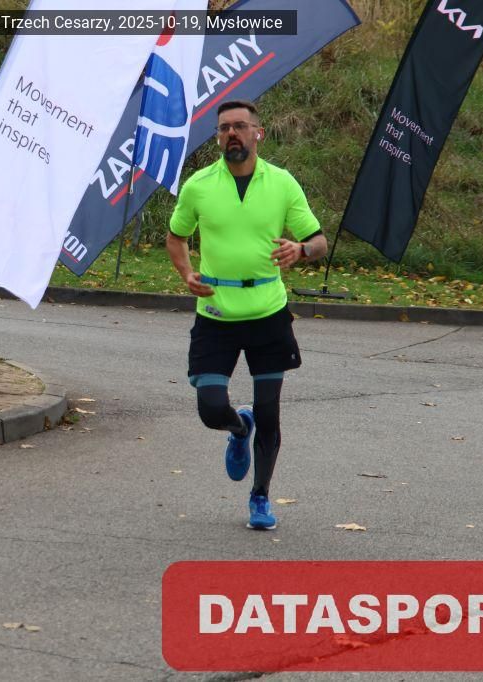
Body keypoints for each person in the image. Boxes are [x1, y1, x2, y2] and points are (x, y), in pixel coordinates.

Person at [166, 99, 328, 530]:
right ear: (218, 137)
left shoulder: (282, 183)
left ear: (259, 133)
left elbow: (319, 241)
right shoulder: (199, 185)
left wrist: (301, 249)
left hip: (267, 313)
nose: (231, 134)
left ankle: (260, 496)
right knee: (210, 408)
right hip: (215, 312)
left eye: (239, 126)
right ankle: (240, 429)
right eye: (224, 128)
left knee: (270, 412)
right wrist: (186, 274)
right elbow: (176, 237)